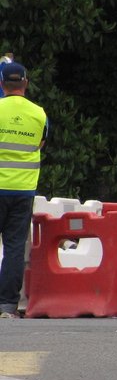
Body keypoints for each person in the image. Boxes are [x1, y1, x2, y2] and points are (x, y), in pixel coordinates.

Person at [0, 63, 47, 318]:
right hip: (23, 190)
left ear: (1, 83)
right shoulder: (39, 114)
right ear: (26, 83)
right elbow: (41, 142)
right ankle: (7, 305)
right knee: (15, 247)